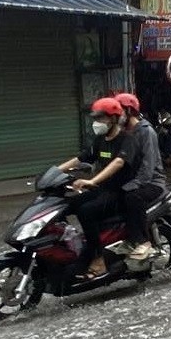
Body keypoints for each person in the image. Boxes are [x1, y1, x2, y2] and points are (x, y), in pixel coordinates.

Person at [55, 97, 133, 279]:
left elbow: (118, 163)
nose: (97, 123)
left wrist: (92, 181)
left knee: (86, 211)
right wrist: (54, 171)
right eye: (96, 119)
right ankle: (70, 250)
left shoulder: (126, 139)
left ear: (113, 119)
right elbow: (81, 158)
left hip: (120, 192)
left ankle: (98, 258)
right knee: (68, 203)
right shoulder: (100, 140)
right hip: (102, 189)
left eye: (101, 118)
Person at [113, 92, 169, 262]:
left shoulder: (146, 132)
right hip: (133, 180)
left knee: (132, 197)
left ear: (129, 111)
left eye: (119, 111)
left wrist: (133, 184)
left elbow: (148, 166)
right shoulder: (122, 132)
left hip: (152, 182)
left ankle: (141, 241)